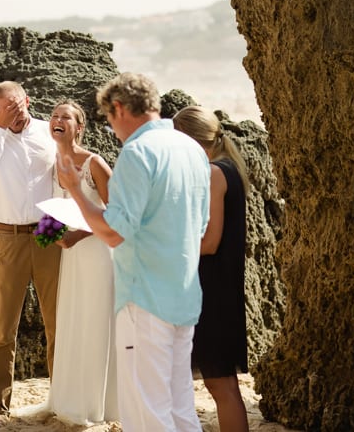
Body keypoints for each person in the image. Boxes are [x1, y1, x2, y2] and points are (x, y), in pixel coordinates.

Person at [56, 73, 210, 432]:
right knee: (180, 407)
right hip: (184, 295)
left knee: (147, 411)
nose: (112, 129)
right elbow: (200, 226)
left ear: (120, 108)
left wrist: (75, 189)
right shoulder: (191, 149)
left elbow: (113, 232)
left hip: (145, 298)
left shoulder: (137, 153)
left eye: (108, 119)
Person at [0, 81, 62, 425]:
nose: (16, 114)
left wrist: (59, 227)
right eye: (7, 108)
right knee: (4, 329)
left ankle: (62, 399)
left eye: (19, 106)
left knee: (57, 324)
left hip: (47, 231)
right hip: (7, 236)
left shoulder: (48, 132)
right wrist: (0, 129)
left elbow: (64, 179)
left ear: (28, 101)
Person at [173, 105, 249, 432]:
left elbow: (210, 242)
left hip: (214, 289)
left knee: (221, 385)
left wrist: (168, 249)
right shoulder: (229, 167)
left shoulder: (213, 172)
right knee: (221, 384)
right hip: (221, 285)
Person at [48, 100, 117, 424]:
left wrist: (78, 236)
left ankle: (98, 405)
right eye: (54, 115)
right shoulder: (53, 164)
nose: (58, 120)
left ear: (79, 127)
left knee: (95, 322)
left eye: (66, 117)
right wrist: (51, 236)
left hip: (97, 253)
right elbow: (51, 208)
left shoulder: (94, 163)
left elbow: (118, 213)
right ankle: (70, 399)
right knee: (73, 321)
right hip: (70, 256)